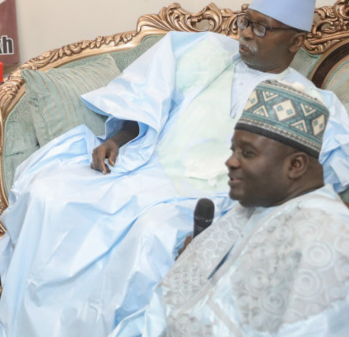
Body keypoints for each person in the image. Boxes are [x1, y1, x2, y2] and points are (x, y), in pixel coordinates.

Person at [0, 0, 349, 337]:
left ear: (295, 41)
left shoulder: (312, 105)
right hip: (149, 165)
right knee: (50, 193)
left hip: (213, 197)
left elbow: (311, 187)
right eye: (245, 21)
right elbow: (149, 103)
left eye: (261, 28)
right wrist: (117, 139)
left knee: (153, 236)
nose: (245, 34)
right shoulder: (206, 52)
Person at [113, 80, 349, 335]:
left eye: (247, 153)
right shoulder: (261, 204)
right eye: (233, 150)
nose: (230, 162)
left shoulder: (325, 238)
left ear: (295, 165)